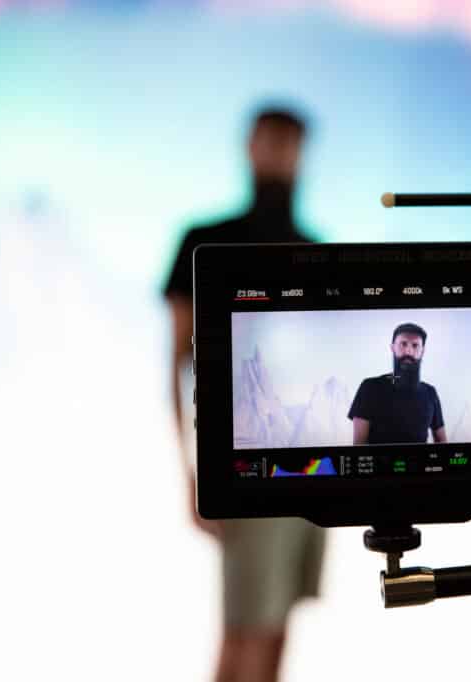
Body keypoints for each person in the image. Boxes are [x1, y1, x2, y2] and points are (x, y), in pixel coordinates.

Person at [163, 108, 326, 682]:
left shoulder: (314, 250)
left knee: (279, 624)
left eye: (291, 144)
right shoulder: (205, 244)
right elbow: (175, 365)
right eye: (271, 141)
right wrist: (191, 473)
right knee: (244, 629)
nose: (280, 153)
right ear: (250, 147)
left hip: (307, 464)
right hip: (242, 463)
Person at [348, 322, 447, 445]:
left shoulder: (430, 393)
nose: (408, 351)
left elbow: (442, 442)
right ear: (393, 347)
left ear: (422, 351)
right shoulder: (370, 388)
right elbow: (359, 446)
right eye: (403, 344)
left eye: (415, 346)